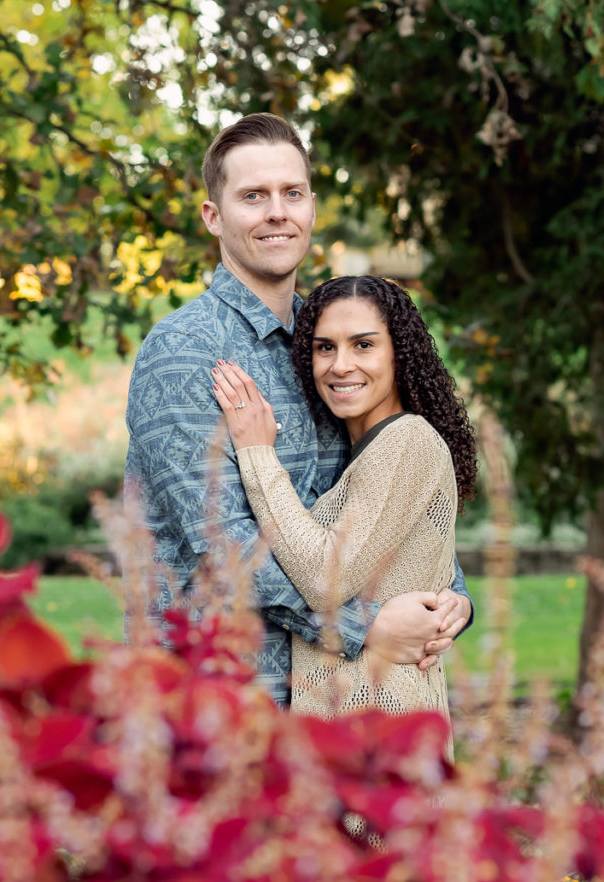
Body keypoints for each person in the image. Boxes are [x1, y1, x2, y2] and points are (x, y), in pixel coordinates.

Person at [125, 112, 473, 707]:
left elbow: (390, 489)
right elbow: (219, 544)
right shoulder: (184, 353)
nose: (276, 212)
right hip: (217, 701)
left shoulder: (339, 339)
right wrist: (366, 627)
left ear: (312, 207)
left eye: (291, 193)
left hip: (336, 706)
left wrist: (450, 597)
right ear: (214, 216)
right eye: (253, 196)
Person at [211, 276, 476, 746]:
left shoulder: (407, 442)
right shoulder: (371, 448)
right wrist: (459, 599)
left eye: (363, 345)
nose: (341, 365)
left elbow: (325, 578)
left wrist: (256, 453)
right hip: (355, 724)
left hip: (381, 728)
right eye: (324, 348)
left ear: (400, 353)